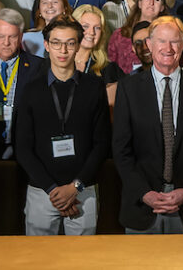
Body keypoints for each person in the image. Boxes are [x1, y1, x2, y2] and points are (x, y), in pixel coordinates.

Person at [112, 15, 183, 234]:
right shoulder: (128, 89)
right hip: (141, 205)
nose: (168, 48)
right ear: (149, 45)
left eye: (174, 41)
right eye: (162, 41)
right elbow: (121, 150)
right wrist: (144, 193)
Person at [14, 15, 111, 236]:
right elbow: (23, 148)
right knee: (39, 260)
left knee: (82, 260)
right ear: (46, 46)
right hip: (42, 191)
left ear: (78, 45)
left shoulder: (94, 87)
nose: (63, 50)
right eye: (56, 43)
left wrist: (74, 187)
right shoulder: (30, 90)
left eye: (69, 43)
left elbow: (102, 143)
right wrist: (53, 190)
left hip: (83, 190)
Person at [0, 8, 43, 160]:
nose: (6, 43)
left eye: (12, 37)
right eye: (1, 36)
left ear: (21, 36)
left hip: (24, 147)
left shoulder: (38, 67)